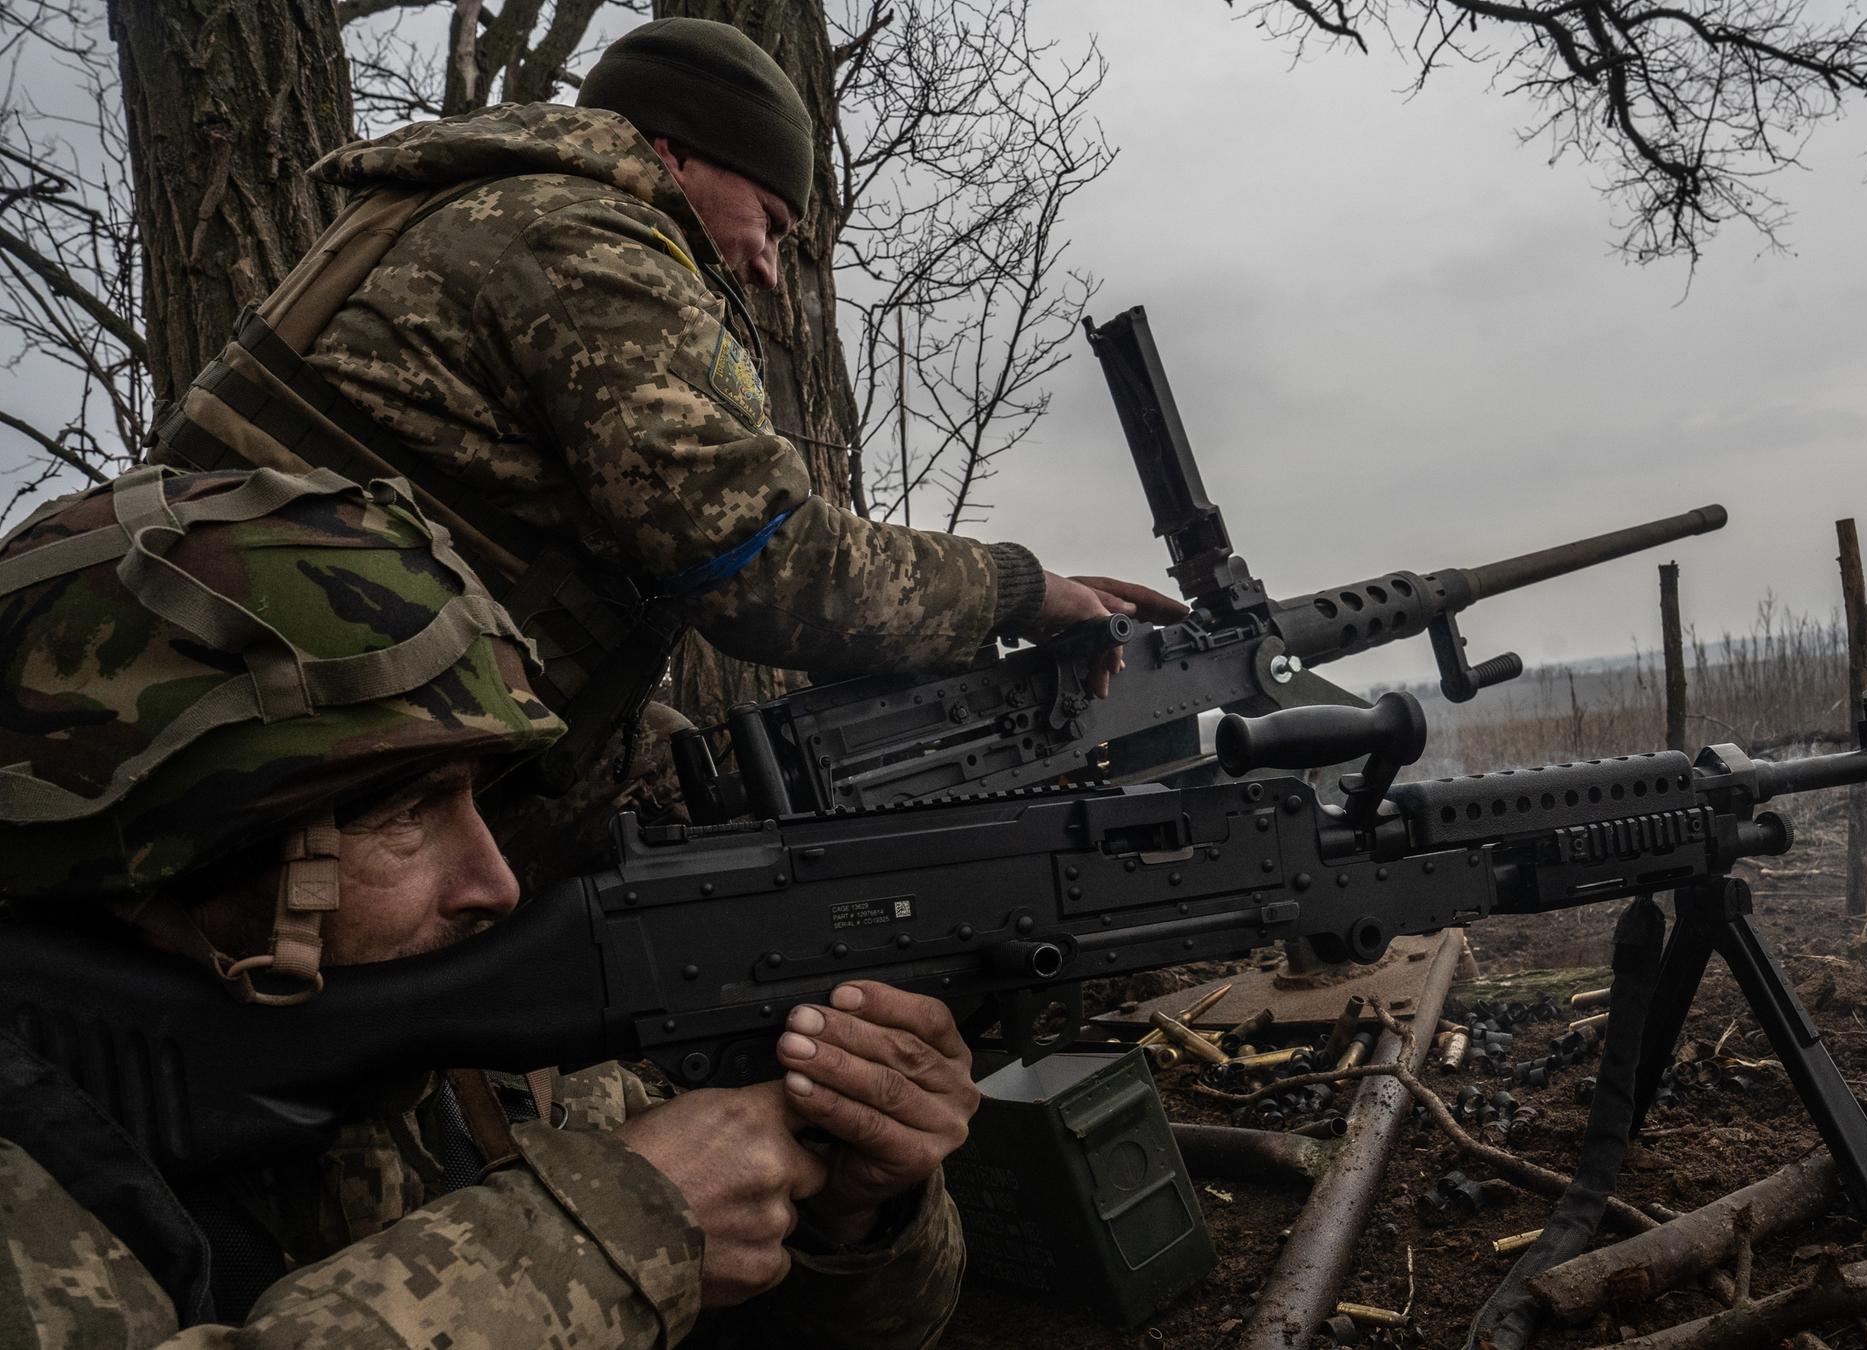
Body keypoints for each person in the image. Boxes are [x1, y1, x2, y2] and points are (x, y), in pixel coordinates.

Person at [144, 16, 1180, 868]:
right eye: (770, 220)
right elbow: (766, 570)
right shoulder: (588, 242)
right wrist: (1017, 589)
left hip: (262, 700)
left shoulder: (479, 203)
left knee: (695, 786)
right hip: (311, 763)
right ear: (677, 150)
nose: (768, 268)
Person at [0, 465, 973, 1348]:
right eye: (403, 816)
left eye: (483, 798)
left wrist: (855, 1213)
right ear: (171, 857)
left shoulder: (486, 1065)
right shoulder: (35, 1185)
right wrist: (604, 1242)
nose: (498, 883)